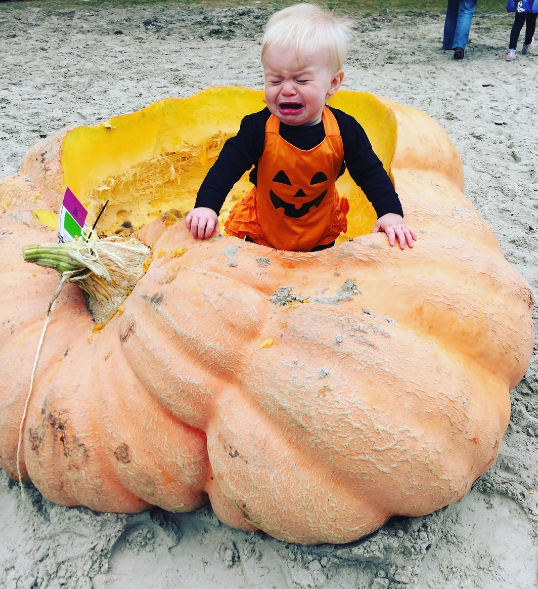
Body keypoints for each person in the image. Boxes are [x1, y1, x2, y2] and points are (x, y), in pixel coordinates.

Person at [185, 3, 416, 252]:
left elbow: (370, 173)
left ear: (333, 83)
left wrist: (390, 213)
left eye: (301, 79)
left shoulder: (344, 130)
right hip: (263, 230)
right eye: (275, 79)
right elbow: (226, 167)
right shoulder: (257, 128)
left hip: (320, 232)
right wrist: (206, 207)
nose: (286, 89)